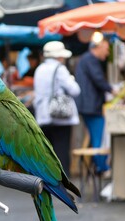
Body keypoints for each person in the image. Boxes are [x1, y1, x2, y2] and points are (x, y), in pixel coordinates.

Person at [34, 41, 81, 177]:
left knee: (47, 151)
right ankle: (63, 179)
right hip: (60, 116)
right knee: (61, 149)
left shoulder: (39, 69)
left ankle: (47, 177)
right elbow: (75, 90)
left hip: (43, 116)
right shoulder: (60, 69)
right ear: (59, 56)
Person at [74, 36, 116, 173]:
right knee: (99, 138)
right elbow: (98, 79)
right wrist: (112, 90)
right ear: (98, 47)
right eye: (106, 48)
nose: (107, 52)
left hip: (87, 105)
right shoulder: (90, 59)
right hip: (91, 106)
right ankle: (102, 167)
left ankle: (100, 166)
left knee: (95, 136)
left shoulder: (86, 59)